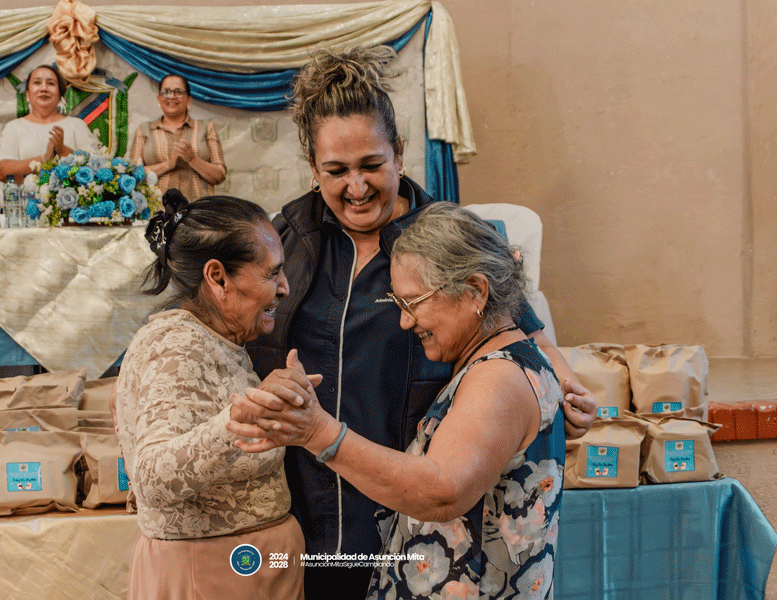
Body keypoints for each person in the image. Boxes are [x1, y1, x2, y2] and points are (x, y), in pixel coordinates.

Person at [242, 45, 595, 599]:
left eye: (371, 166)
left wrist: (566, 388)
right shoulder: (282, 241)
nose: (356, 187)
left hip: (420, 516)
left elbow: (518, 331)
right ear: (312, 168)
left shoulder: (448, 238)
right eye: (336, 171)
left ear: (399, 154)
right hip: (308, 516)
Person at [229, 201, 565, 598]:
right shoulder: (505, 361)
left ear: (476, 290)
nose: (405, 321)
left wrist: (319, 433)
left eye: (413, 303)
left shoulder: (499, 377)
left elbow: (442, 491)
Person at [116, 189, 309, 600]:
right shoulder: (177, 346)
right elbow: (152, 478)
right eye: (271, 274)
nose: (285, 288)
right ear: (218, 278)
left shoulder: (218, 339)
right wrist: (239, 421)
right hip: (209, 576)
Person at [0, 64, 99, 183]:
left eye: (51, 83)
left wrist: (63, 151)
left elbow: (96, 169)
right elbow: (1, 172)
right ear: (27, 94)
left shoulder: (77, 125)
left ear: (60, 95)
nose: (44, 88)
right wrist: (45, 159)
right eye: (37, 83)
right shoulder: (14, 127)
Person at [129, 74, 227, 199]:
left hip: (199, 208)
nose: (171, 96)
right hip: (158, 208)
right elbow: (133, 174)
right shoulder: (145, 130)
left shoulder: (206, 128)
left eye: (178, 91)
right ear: (159, 99)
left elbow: (219, 175)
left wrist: (193, 159)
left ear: (188, 99)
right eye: (166, 92)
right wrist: (167, 165)